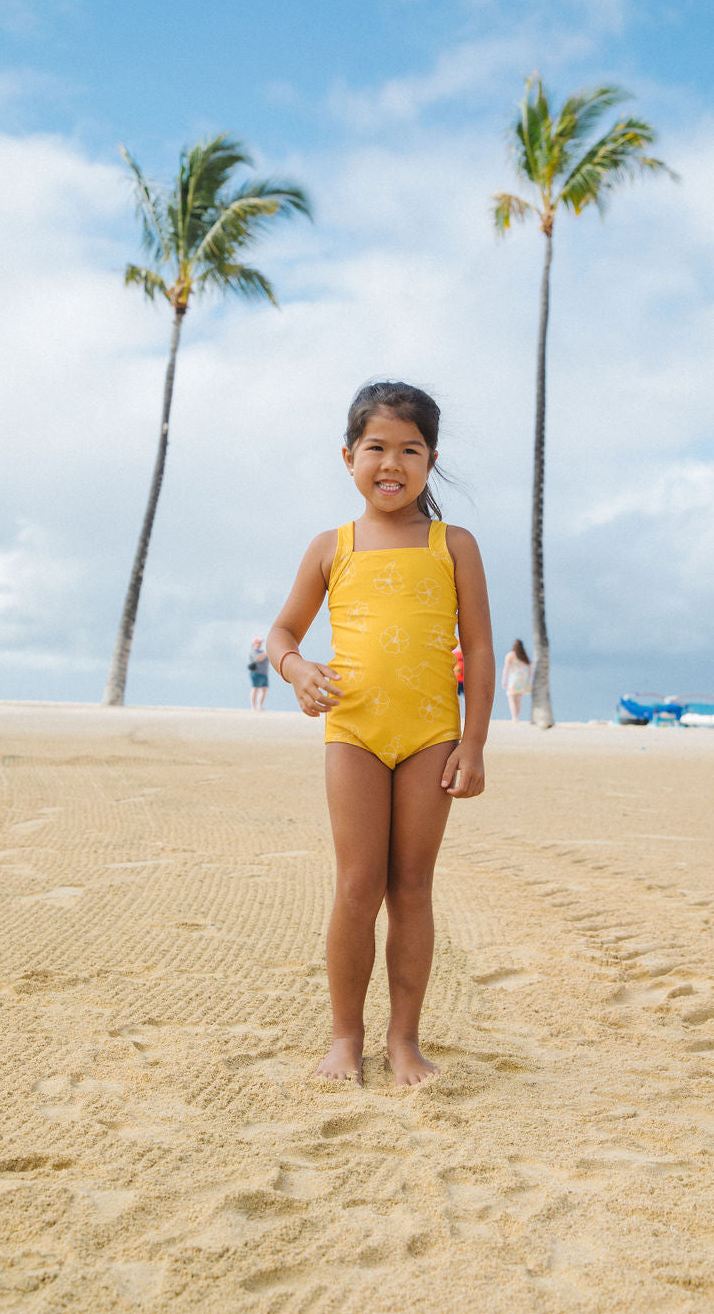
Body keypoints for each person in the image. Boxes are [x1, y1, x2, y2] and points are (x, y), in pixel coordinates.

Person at [267, 380, 494, 1087]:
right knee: (358, 883)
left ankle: (404, 1042)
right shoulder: (331, 547)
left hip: (431, 734)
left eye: (410, 449)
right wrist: (297, 669)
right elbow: (281, 632)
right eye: (376, 448)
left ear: (430, 461)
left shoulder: (453, 544)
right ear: (348, 456)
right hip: (355, 731)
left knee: (413, 886)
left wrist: (474, 742)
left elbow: (480, 650)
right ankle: (343, 1038)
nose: (391, 463)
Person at [501, 638, 532, 722]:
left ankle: (514, 717)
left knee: (511, 698)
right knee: (518, 700)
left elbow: (506, 669)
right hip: (522, 679)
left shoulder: (510, 655)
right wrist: (528, 679)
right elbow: (530, 667)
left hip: (513, 678)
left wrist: (504, 680)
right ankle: (517, 716)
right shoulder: (523, 655)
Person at [248, 636, 269, 710]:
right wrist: (266, 653)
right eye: (258, 642)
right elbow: (257, 659)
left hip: (264, 673)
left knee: (264, 689)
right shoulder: (253, 651)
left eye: (260, 643)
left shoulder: (262, 652)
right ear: (254, 643)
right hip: (256, 673)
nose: (260, 644)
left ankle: (260, 706)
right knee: (255, 689)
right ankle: (253, 707)